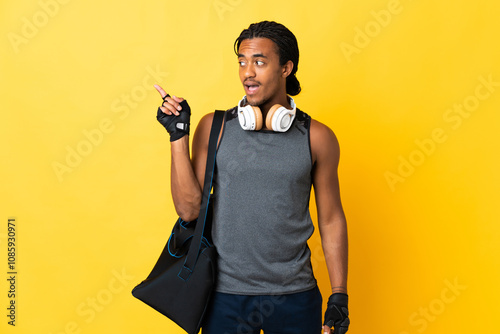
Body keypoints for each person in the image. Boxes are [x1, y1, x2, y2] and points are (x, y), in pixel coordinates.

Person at [154, 21, 349, 334]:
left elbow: (331, 218)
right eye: (242, 62)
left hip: (296, 297)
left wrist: (339, 294)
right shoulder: (213, 128)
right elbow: (189, 210)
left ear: (287, 67)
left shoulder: (317, 138)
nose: (248, 72)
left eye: (259, 62)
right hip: (224, 298)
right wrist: (178, 135)